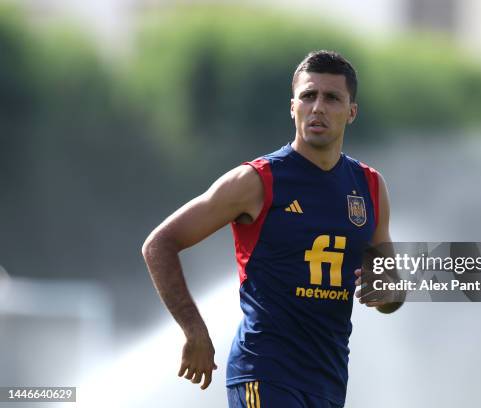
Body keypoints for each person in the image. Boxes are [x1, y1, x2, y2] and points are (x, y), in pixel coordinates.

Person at [142, 50, 401, 408]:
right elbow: (159, 244)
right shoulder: (256, 180)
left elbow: (390, 292)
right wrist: (194, 330)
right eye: (308, 96)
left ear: (351, 111)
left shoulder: (370, 186)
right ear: (292, 106)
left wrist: (386, 292)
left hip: (328, 381)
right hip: (264, 373)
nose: (318, 107)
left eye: (332, 98)